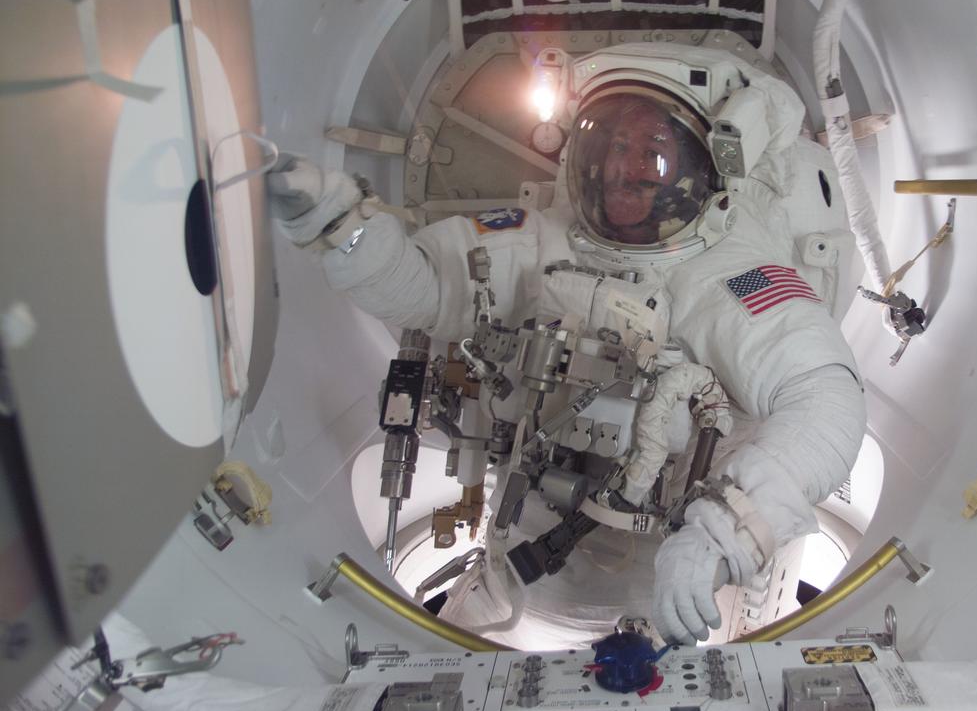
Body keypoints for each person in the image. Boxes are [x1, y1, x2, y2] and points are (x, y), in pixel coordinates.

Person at [268, 42, 866, 647]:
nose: (621, 168)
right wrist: (338, 225)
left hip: (686, 582)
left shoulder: (733, 278)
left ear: (697, 169)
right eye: (613, 146)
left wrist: (717, 538)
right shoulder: (541, 242)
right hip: (524, 553)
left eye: (652, 153)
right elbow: (425, 289)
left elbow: (828, 403)